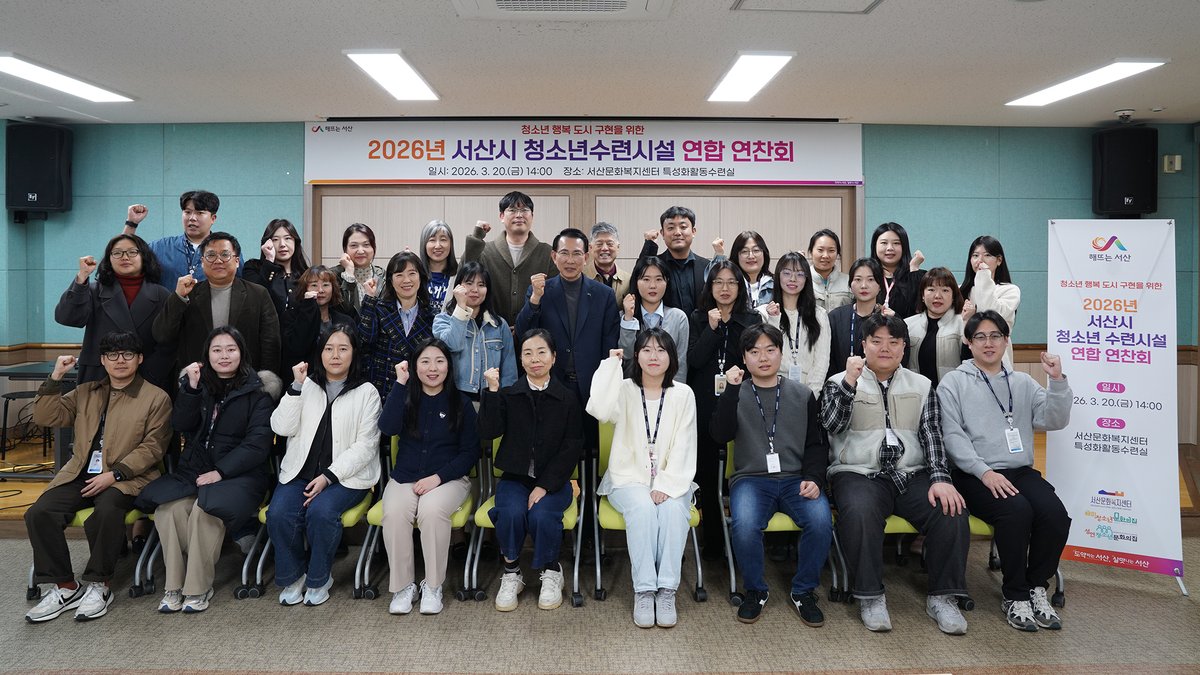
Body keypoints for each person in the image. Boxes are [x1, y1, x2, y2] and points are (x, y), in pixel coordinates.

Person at [820, 312, 971, 635]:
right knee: (859, 511)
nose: (885, 348)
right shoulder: (839, 381)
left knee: (951, 509)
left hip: (910, 472)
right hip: (858, 471)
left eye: (893, 342)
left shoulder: (922, 385)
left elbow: (932, 435)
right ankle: (870, 596)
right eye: (876, 341)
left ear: (904, 347)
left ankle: (943, 597)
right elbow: (832, 424)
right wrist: (849, 384)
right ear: (863, 345)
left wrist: (941, 479)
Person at [24, 332, 172, 623]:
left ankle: (99, 584)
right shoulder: (85, 392)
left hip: (128, 477)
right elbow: (46, 417)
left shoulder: (156, 397)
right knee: (40, 512)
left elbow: (153, 447)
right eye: (112, 355)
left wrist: (115, 474)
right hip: (80, 473)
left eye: (128, 354)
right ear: (103, 360)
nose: (120, 361)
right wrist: (55, 377)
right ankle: (66, 586)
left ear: (139, 359)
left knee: (106, 510)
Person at [939, 310, 1071, 632]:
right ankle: (1015, 595)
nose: (989, 343)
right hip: (973, 475)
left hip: (1019, 470)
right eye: (980, 337)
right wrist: (984, 472)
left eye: (995, 336)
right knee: (1016, 511)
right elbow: (952, 436)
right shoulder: (954, 382)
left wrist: (1057, 381)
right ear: (968, 342)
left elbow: (1054, 420)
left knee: (1055, 514)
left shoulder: (1022, 382)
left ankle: (1036, 586)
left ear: (1006, 340)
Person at [135, 327, 280, 614]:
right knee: (168, 510)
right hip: (195, 472)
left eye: (231, 349)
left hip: (241, 477)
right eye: (217, 350)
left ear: (242, 353)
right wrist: (190, 389)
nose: (224, 356)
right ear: (207, 355)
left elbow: (257, 445)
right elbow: (181, 425)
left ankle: (197, 588)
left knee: (205, 512)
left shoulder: (258, 392)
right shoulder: (197, 386)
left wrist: (221, 472)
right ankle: (173, 586)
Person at [711, 325, 832, 626]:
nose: (763, 358)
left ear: (781, 353)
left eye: (770, 350)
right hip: (751, 479)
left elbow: (816, 444)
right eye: (754, 352)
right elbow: (719, 435)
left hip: (796, 478)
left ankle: (803, 591)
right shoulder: (736, 392)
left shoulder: (802, 394)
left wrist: (814, 478)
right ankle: (756, 590)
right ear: (744, 358)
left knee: (820, 521)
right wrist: (731, 392)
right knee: (745, 525)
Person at [587, 331, 697, 628]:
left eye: (661, 350)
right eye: (646, 350)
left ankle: (667, 590)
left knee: (673, 510)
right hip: (627, 478)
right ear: (636, 356)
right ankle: (645, 590)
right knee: (644, 508)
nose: (653, 356)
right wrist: (610, 367)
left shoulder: (684, 394)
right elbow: (598, 409)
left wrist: (665, 485)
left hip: (673, 477)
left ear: (671, 357)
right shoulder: (624, 389)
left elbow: (685, 445)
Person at [268, 325, 382, 607]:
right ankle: (294, 576)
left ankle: (319, 578)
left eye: (343, 349)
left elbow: (366, 446)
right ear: (320, 354)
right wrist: (295, 388)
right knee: (279, 513)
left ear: (354, 354)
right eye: (329, 349)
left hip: (346, 478)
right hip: (300, 473)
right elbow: (281, 427)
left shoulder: (367, 392)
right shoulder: (306, 386)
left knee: (321, 512)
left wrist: (328, 477)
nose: (335, 355)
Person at [478, 329, 583, 612]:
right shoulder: (510, 394)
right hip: (515, 478)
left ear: (553, 357)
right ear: (521, 360)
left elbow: (572, 446)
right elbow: (488, 431)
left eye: (541, 352)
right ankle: (512, 572)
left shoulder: (567, 398)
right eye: (527, 353)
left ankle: (551, 570)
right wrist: (492, 392)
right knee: (510, 512)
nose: (535, 359)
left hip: (554, 481)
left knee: (542, 514)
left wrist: (544, 485)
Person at [377, 339, 480, 615]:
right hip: (405, 477)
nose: (432, 368)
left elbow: (470, 452)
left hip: (449, 479)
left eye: (439, 361)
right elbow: (387, 427)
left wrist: (438, 477)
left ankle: (433, 586)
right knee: (395, 512)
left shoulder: (461, 403)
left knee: (432, 510)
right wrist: (400, 384)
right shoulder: (405, 397)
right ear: (414, 366)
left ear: (449, 366)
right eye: (425, 362)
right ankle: (403, 587)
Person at [515, 227, 621, 452]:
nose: (570, 260)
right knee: (554, 447)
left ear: (586, 256)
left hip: (592, 386)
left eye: (576, 254)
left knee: (591, 449)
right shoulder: (540, 291)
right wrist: (535, 299)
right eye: (564, 253)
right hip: (552, 384)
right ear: (554, 256)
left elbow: (609, 343)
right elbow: (524, 334)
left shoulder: (604, 295)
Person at [687, 260, 762, 558]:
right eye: (718, 282)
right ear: (710, 287)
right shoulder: (698, 317)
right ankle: (714, 543)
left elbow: (754, 360)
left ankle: (743, 538)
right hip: (705, 403)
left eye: (731, 282)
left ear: (740, 287)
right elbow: (694, 360)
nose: (725, 288)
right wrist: (712, 329)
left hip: (741, 400)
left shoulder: (751, 318)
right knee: (707, 474)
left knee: (739, 470)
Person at [54, 234, 174, 391]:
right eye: (117, 253)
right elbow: (67, 318)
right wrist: (82, 277)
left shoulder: (162, 294)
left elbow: (169, 341)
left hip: (146, 376)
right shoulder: (93, 291)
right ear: (109, 259)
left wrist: (153, 372)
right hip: (99, 375)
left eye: (132, 252)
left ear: (144, 257)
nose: (125, 257)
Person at [153, 231, 281, 376]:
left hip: (246, 379)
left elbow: (271, 343)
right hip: (198, 379)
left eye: (225, 255)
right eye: (211, 255)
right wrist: (178, 297)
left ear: (237, 261)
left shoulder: (258, 294)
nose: (218, 261)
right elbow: (161, 335)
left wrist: (265, 380)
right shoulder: (189, 294)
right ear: (202, 261)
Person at [463, 191, 557, 325]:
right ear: (501, 216)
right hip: (490, 330)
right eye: (512, 210)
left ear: (532, 216)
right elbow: (463, 276)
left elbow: (555, 297)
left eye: (524, 210)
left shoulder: (547, 252)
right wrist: (477, 236)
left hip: (535, 332)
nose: (519, 215)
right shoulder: (485, 251)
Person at [432, 262, 516, 400]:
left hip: (491, 398)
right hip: (455, 398)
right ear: (458, 286)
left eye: (481, 285)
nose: (475, 290)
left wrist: (505, 401)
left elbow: (509, 371)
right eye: (469, 283)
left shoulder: (499, 325)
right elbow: (453, 344)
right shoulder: (442, 320)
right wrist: (461, 307)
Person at [358, 251, 437, 400]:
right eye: (399, 275)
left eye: (412, 273)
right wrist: (369, 298)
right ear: (391, 280)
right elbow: (364, 341)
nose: (406, 280)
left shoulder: (432, 315)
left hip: (416, 394)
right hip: (379, 391)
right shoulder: (378, 308)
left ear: (421, 277)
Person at [758, 252, 829, 392]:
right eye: (787, 273)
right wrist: (774, 320)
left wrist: (811, 395)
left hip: (808, 390)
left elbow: (822, 361)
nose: (793, 279)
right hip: (771, 388)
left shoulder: (819, 315)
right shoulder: (763, 313)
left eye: (800, 274)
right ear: (778, 276)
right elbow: (766, 354)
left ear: (807, 279)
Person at [122, 191, 224, 289]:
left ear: (213, 218)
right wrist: (131, 223)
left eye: (200, 213)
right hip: (166, 301)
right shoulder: (160, 247)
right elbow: (124, 258)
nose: (192, 218)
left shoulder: (226, 251)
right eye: (187, 212)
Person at [618, 256, 689, 383]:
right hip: (633, 388)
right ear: (636, 282)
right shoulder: (624, 317)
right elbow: (627, 355)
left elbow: (680, 363)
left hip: (667, 389)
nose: (652, 285)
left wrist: (675, 392)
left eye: (659, 279)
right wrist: (628, 319)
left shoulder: (678, 318)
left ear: (667, 282)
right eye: (646, 279)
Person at [904, 267, 972, 388]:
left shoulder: (963, 323)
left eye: (945, 290)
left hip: (954, 393)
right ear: (922, 295)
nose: (937, 296)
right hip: (917, 394)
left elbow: (972, 362)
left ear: (953, 296)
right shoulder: (907, 325)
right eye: (931, 289)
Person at [281, 265, 355, 373]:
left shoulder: (345, 321)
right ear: (305, 289)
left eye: (325, 285)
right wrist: (308, 307)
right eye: (314, 285)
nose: (320, 290)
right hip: (303, 377)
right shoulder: (290, 317)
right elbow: (298, 348)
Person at [959, 235, 1021, 366]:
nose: (980, 260)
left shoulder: (1010, 290)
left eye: (987, 255)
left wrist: (983, 274)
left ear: (999, 260)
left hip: (994, 356)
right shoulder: (960, 290)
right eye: (975, 255)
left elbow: (990, 313)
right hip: (963, 354)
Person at [639, 206, 711, 317]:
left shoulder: (706, 267)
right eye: (671, 228)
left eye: (683, 227)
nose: (677, 232)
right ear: (662, 233)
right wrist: (649, 245)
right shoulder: (655, 266)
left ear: (693, 231)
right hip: (664, 327)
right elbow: (637, 281)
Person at [826, 257, 889, 380]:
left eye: (871, 279)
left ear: (880, 285)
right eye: (858, 279)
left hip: (878, 385)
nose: (864, 285)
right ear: (850, 285)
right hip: (841, 383)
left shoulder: (888, 318)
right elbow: (827, 358)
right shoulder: (835, 317)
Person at [243, 218, 310, 320]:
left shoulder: (306, 274)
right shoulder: (253, 268)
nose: (282, 244)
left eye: (287, 238)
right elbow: (254, 299)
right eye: (275, 239)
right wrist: (269, 260)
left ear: (295, 242)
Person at [870, 222, 926, 319]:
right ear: (875, 246)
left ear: (904, 246)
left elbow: (920, 311)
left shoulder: (920, 276)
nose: (890, 248)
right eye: (884, 243)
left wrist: (914, 269)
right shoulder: (868, 276)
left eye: (896, 243)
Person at [710, 230, 774, 309]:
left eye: (756, 250)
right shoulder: (730, 283)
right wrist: (719, 254)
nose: (751, 256)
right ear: (736, 256)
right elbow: (711, 280)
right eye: (744, 251)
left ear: (764, 254)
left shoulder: (773, 283)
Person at [332, 223, 386, 313]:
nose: (360, 251)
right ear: (345, 249)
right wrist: (349, 274)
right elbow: (345, 311)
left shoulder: (381, 275)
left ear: (373, 248)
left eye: (366, 245)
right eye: (354, 245)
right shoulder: (333, 275)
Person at [419, 219, 460, 310]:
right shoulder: (416, 275)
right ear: (424, 245)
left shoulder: (459, 276)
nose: (438, 246)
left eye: (443, 240)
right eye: (432, 240)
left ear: (451, 244)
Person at [807, 229, 852, 311]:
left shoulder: (849, 282)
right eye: (820, 250)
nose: (825, 255)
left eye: (831, 250)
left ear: (837, 254)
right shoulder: (802, 281)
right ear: (811, 252)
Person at [589, 221, 629, 304]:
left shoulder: (628, 281)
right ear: (591, 248)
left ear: (618, 247)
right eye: (599, 244)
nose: (604, 248)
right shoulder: (581, 277)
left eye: (610, 244)